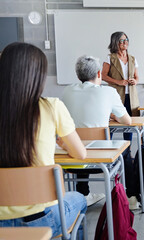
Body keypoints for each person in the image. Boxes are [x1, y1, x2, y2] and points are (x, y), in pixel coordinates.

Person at [0, 42, 87, 238]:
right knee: (80, 199)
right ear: (37, 76)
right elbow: (81, 154)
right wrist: (62, 143)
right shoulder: (51, 107)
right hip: (40, 219)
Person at [61, 55, 131, 207]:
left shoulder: (67, 91)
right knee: (126, 150)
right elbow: (128, 121)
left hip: (73, 158)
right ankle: (131, 196)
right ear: (99, 74)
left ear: (78, 75)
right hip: (103, 159)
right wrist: (112, 116)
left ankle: (83, 194)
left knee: (82, 141)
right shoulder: (109, 92)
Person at [102, 31, 140, 140]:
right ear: (115, 42)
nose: (125, 42)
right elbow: (103, 76)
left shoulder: (132, 58)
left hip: (131, 97)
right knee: (112, 123)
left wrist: (135, 81)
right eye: (122, 40)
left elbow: (137, 77)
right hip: (116, 96)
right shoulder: (110, 58)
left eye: (126, 40)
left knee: (129, 124)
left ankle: (127, 153)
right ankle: (108, 150)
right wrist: (118, 82)